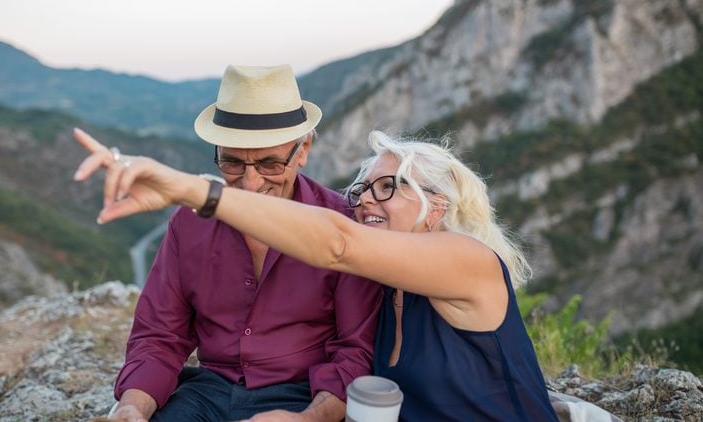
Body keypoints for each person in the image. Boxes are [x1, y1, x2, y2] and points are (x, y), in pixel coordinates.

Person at [74, 129, 559, 419]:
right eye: (361, 189)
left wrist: (194, 191)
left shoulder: (466, 260)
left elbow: (338, 244)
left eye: (388, 187)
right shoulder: (391, 286)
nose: (366, 202)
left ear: (438, 205)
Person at [77, 65, 382, 422]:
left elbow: (355, 353)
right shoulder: (189, 223)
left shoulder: (343, 223)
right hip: (208, 392)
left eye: (269, 164)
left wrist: (307, 419)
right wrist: (131, 407)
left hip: (304, 396)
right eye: (232, 163)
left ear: (303, 150)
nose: (250, 184)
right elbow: (160, 336)